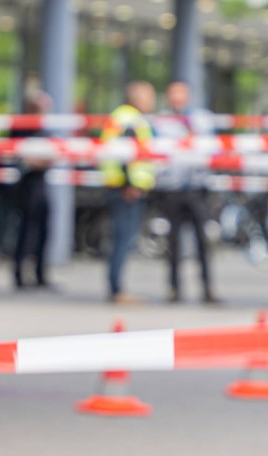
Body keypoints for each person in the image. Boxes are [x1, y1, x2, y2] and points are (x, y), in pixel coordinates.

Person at [150, 80, 217, 304]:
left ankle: (208, 288)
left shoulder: (201, 119)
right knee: (173, 242)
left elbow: (213, 148)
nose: (178, 98)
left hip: (197, 187)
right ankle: (174, 288)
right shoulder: (160, 121)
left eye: (181, 93)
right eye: (173, 94)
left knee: (203, 241)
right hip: (171, 188)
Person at [100, 81, 157, 304]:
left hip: (121, 187)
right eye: (149, 96)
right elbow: (125, 154)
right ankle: (117, 290)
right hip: (126, 190)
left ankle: (116, 288)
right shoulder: (130, 119)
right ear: (137, 97)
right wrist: (130, 184)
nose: (152, 101)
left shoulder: (121, 117)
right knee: (122, 241)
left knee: (121, 240)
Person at [11, 90, 55, 291]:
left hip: (41, 184)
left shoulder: (44, 129)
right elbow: (21, 157)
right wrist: (38, 161)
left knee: (44, 230)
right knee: (26, 231)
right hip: (27, 185)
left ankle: (40, 274)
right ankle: (19, 273)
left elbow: (52, 155)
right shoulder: (21, 128)